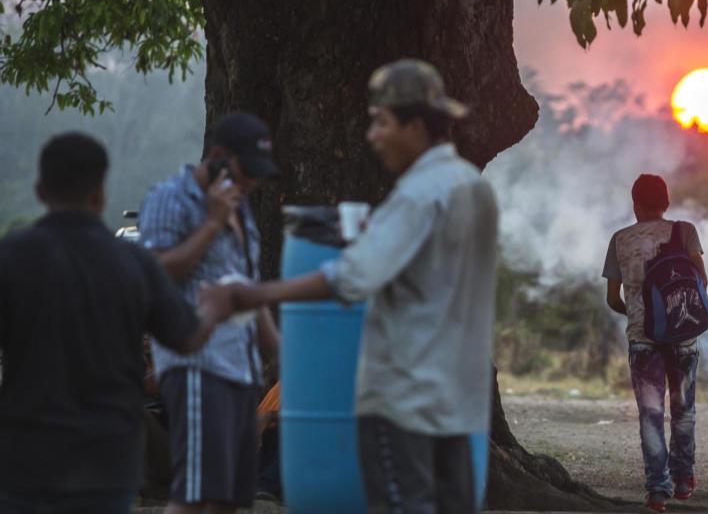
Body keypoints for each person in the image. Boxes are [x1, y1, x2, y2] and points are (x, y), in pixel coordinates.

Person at [207, 58, 498, 514]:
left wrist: (254, 294)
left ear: (416, 124)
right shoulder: (472, 187)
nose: (371, 136)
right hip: (459, 404)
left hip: (406, 405)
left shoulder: (419, 196)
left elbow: (349, 277)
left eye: (381, 122)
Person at [0, 132, 230, 514]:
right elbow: (187, 338)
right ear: (100, 194)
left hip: (27, 455)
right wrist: (214, 306)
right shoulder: (133, 263)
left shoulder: (11, 258)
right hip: (107, 459)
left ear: (40, 191)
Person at [138, 112, 281, 514]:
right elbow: (157, 273)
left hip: (240, 368)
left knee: (228, 496)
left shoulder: (241, 206)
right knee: (195, 493)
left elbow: (246, 287)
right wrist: (212, 223)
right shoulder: (172, 198)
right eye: (246, 169)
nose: (253, 180)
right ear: (218, 156)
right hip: (197, 365)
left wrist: (279, 350)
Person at [602, 174, 708, 512]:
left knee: (651, 415)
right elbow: (702, 279)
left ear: (635, 204)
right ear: (666, 202)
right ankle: (683, 480)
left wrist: (637, 313)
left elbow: (612, 298)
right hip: (683, 335)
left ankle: (657, 492)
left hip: (642, 339)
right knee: (683, 410)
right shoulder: (684, 231)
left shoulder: (620, 240)